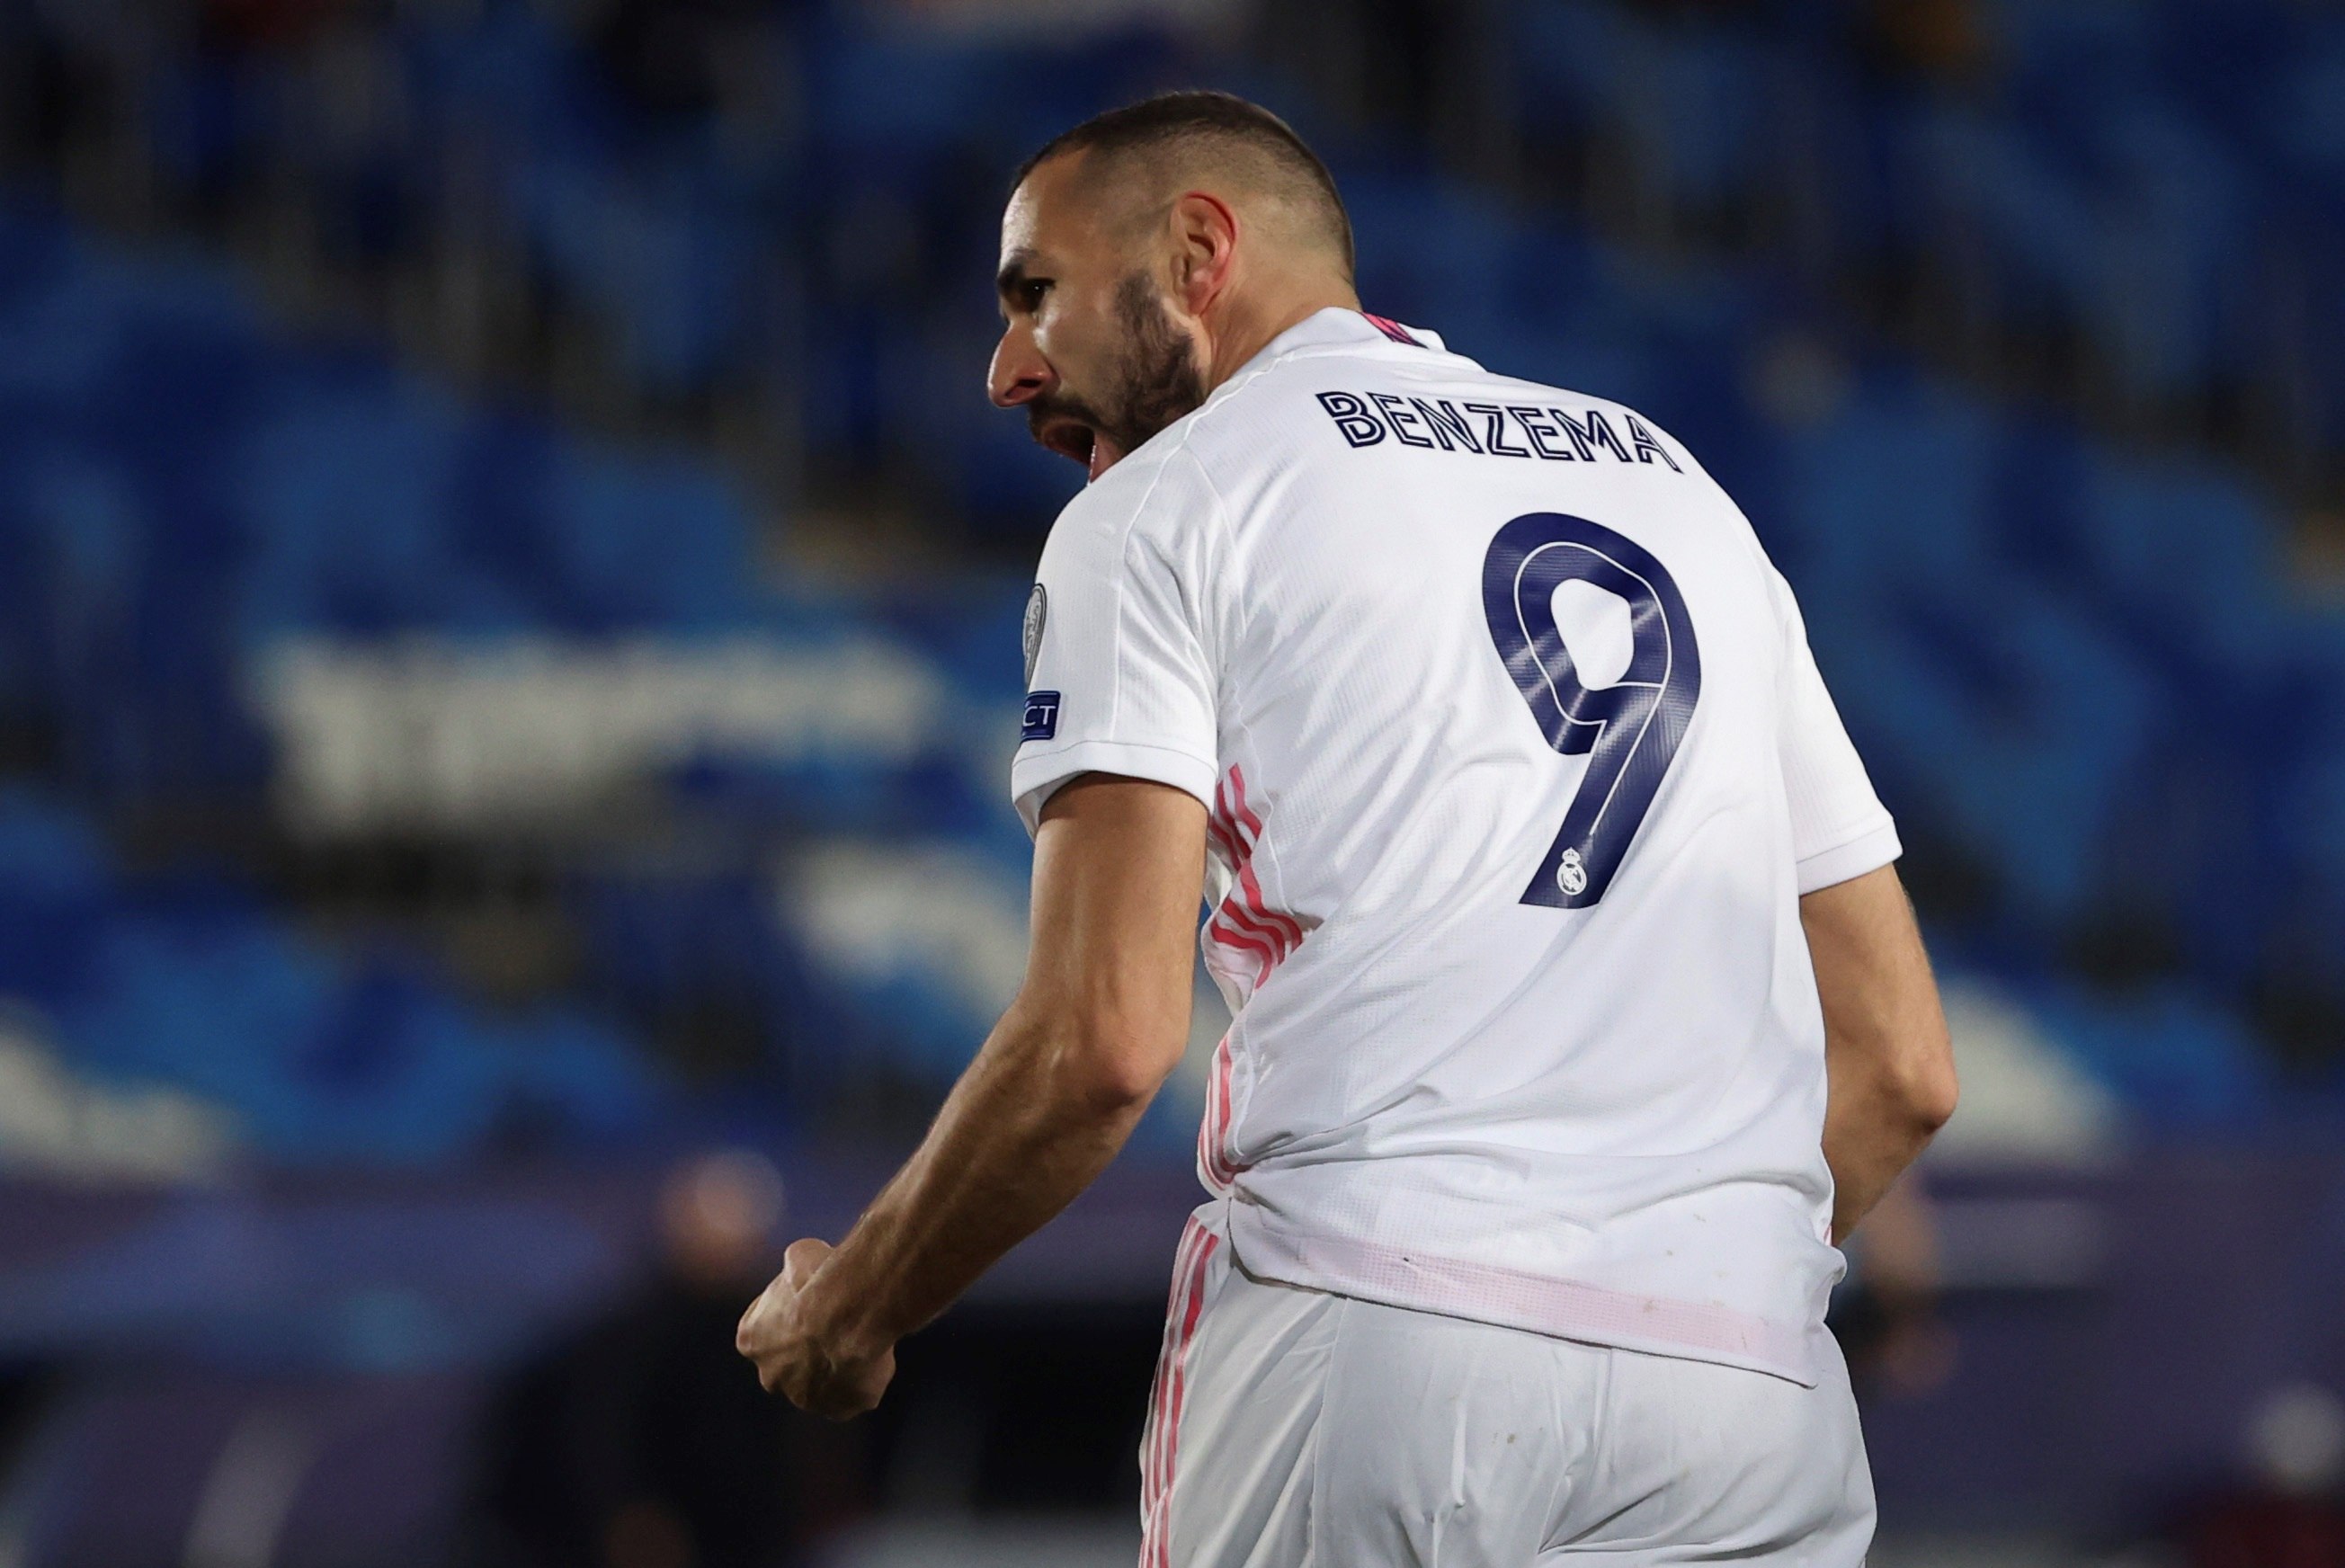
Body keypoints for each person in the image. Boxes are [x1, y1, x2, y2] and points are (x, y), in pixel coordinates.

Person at [736, 90, 1957, 1565]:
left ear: (1197, 250)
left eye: (1035, 295)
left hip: (1378, 1331)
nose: (1005, 371)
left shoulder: (1171, 504)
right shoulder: (1678, 488)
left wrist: (854, 1310)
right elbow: (1899, 1067)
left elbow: (1102, 1044)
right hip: (1747, 1391)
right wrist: (1681, 1275)